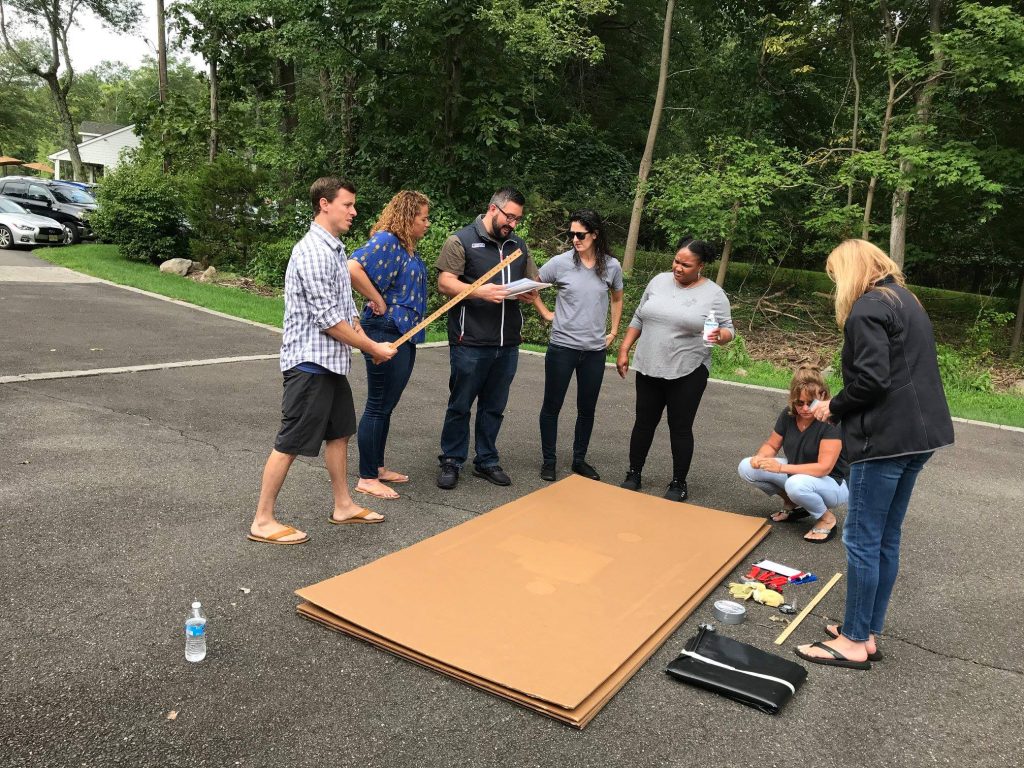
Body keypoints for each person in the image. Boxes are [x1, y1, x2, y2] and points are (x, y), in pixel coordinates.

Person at [795, 239, 954, 669]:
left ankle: (851, 640)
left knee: (862, 540)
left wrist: (834, 406)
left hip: (884, 440)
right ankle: (864, 632)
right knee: (885, 538)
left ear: (849, 271)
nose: (835, 286)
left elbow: (871, 381)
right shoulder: (906, 300)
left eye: (835, 276)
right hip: (920, 437)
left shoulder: (867, 307)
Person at [248, 177, 397, 545]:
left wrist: (364, 337)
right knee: (290, 441)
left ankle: (343, 505)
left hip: (330, 365)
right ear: (324, 204)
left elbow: (345, 309)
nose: (354, 211)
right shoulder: (313, 251)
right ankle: (263, 520)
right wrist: (372, 348)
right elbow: (328, 320)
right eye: (347, 204)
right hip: (309, 366)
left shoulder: (334, 250)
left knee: (339, 433)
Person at [434, 187, 541, 489]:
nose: (513, 224)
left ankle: (487, 460)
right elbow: (445, 282)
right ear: (493, 208)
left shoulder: (517, 245)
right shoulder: (461, 240)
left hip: (507, 343)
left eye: (518, 219)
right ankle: (451, 460)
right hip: (470, 341)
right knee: (460, 404)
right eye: (510, 217)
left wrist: (531, 292)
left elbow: (533, 282)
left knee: (494, 406)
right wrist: (479, 290)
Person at [615, 237, 734, 501]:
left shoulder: (714, 294)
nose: (678, 268)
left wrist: (721, 336)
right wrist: (624, 348)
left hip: (688, 370)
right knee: (643, 423)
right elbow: (638, 316)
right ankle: (634, 473)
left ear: (701, 266)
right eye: (676, 261)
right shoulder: (658, 281)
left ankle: (679, 483)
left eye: (686, 265)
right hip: (648, 365)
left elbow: (729, 329)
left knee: (679, 427)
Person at [347, 191, 431, 500]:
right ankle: (367, 477)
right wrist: (377, 298)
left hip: (403, 332)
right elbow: (352, 267)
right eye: (423, 218)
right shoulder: (386, 241)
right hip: (385, 329)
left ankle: (377, 467)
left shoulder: (406, 246)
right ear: (408, 218)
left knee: (387, 404)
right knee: (378, 403)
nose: (427, 224)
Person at [532, 209, 624, 481]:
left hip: (594, 351)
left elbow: (617, 298)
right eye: (571, 234)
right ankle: (549, 460)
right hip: (562, 347)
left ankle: (579, 460)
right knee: (552, 406)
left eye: (580, 234)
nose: (574, 239)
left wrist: (614, 331)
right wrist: (546, 313)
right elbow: (531, 286)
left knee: (587, 408)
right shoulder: (560, 263)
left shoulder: (611, 266)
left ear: (595, 235)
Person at [737, 365, 849, 542]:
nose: (805, 408)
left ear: (823, 396)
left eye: (810, 402)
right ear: (792, 401)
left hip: (834, 483)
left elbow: (824, 468)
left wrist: (780, 467)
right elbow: (772, 445)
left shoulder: (831, 420)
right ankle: (793, 502)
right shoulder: (788, 414)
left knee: (795, 484)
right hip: (800, 476)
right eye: (799, 403)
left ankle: (827, 519)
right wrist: (761, 457)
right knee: (746, 466)